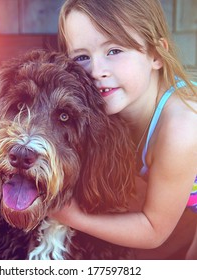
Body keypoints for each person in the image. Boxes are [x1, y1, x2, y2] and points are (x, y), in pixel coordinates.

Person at [50, 0, 197, 259]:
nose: (97, 71)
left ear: (156, 55)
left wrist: (72, 215)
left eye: (114, 50)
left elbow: (153, 229)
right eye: (82, 57)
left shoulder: (182, 127)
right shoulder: (111, 108)